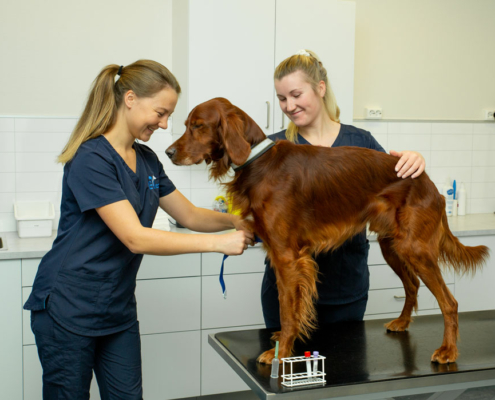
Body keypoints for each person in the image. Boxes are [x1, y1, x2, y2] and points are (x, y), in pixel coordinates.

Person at [23, 59, 254, 400]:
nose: (163, 125)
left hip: (116, 309)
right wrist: (219, 244)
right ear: (130, 99)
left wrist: (234, 220)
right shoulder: (90, 158)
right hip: (68, 306)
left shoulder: (146, 159)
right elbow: (134, 237)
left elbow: (188, 215)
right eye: (160, 113)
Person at [261, 49, 425, 329]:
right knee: (286, 373)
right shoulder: (272, 149)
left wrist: (415, 161)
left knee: (344, 372)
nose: (289, 106)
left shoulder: (361, 142)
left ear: (320, 88)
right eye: (281, 98)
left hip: (346, 291)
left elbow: (395, 193)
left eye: (296, 95)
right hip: (285, 296)